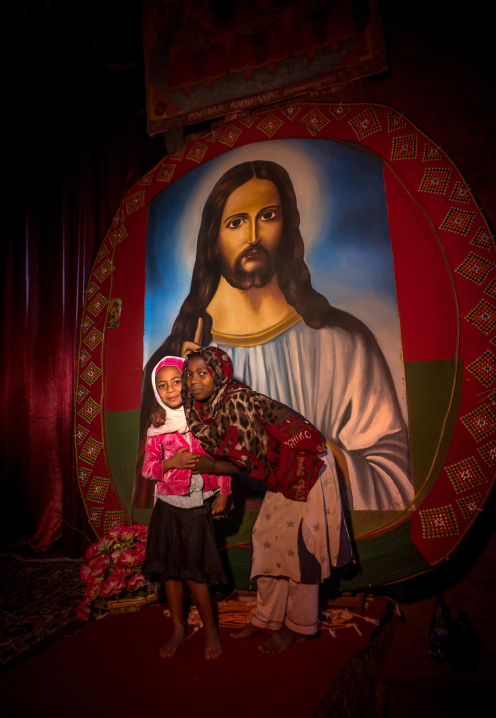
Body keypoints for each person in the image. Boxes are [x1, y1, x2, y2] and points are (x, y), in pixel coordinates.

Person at [133, 159, 414, 512]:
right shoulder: (175, 362)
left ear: (288, 225)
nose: (253, 237)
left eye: (267, 216)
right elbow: (153, 474)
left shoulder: (344, 342)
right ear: (213, 239)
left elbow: (391, 475)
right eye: (236, 223)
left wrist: (298, 454)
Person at [182, 346, 354, 653]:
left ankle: (300, 626)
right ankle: (267, 618)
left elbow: (246, 460)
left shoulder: (236, 400)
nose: (194, 381)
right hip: (280, 473)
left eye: (203, 373)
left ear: (219, 374)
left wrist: (209, 466)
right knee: (266, 537)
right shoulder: (205, 409)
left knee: (303, 547)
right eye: (190, 374)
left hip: (306, 467)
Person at [141, 355, 231, 660]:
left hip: (195, 505)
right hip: (166, 505)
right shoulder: (158, 426)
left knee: (195, 574)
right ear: (157, 392)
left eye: (176, 382)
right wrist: (171, 462)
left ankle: (210, 630)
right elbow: (147, 470)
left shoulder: (204, 419)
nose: (170, 390)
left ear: (188, 382)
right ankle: (178, 628)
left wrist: (224, 493)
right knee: (171, 573)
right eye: (162, 385)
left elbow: (222, 458)